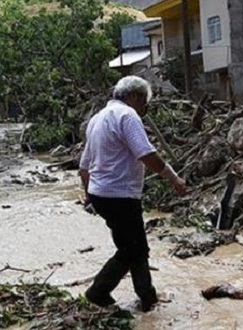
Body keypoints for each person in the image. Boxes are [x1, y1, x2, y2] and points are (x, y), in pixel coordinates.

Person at [79, 76, 186, 312]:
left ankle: (147, 296)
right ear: (135, 97)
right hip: (120, 195)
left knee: (135, 245)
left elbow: (83, 167)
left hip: (101, 194)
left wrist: (89, 197)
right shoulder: (127, 116)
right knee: (131, 249)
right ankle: (98, 292)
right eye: (145, 103)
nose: (145, 109)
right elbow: (146, 154)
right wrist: (174, 178)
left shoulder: (97, 119)